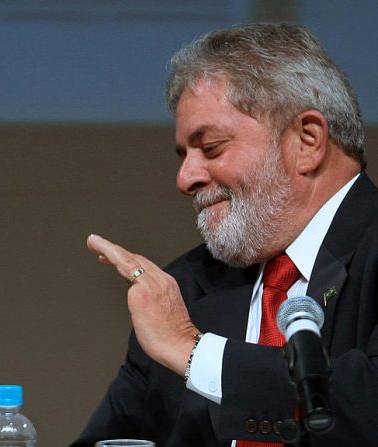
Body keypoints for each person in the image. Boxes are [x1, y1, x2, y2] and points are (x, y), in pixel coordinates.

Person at [71, 23, 378, 446]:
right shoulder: (183, 290)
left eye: (211, 146)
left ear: (308, 141)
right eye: (183, 155)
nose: (185, 178)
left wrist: (194, 352)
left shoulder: (179, 327)